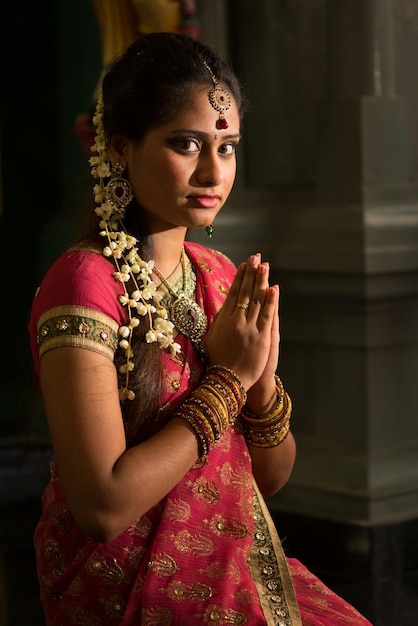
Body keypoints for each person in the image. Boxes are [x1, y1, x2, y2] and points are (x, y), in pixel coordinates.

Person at [28, 32, 373, 625]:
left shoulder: (217, 276)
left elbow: (272, 474)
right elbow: (104, 509)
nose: (214, 170)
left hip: (232, 564)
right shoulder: (84, 283)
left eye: (229, 147)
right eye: (186, 144)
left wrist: (261, 383)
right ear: (120, 149)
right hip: (121, 583)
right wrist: (230, 381)